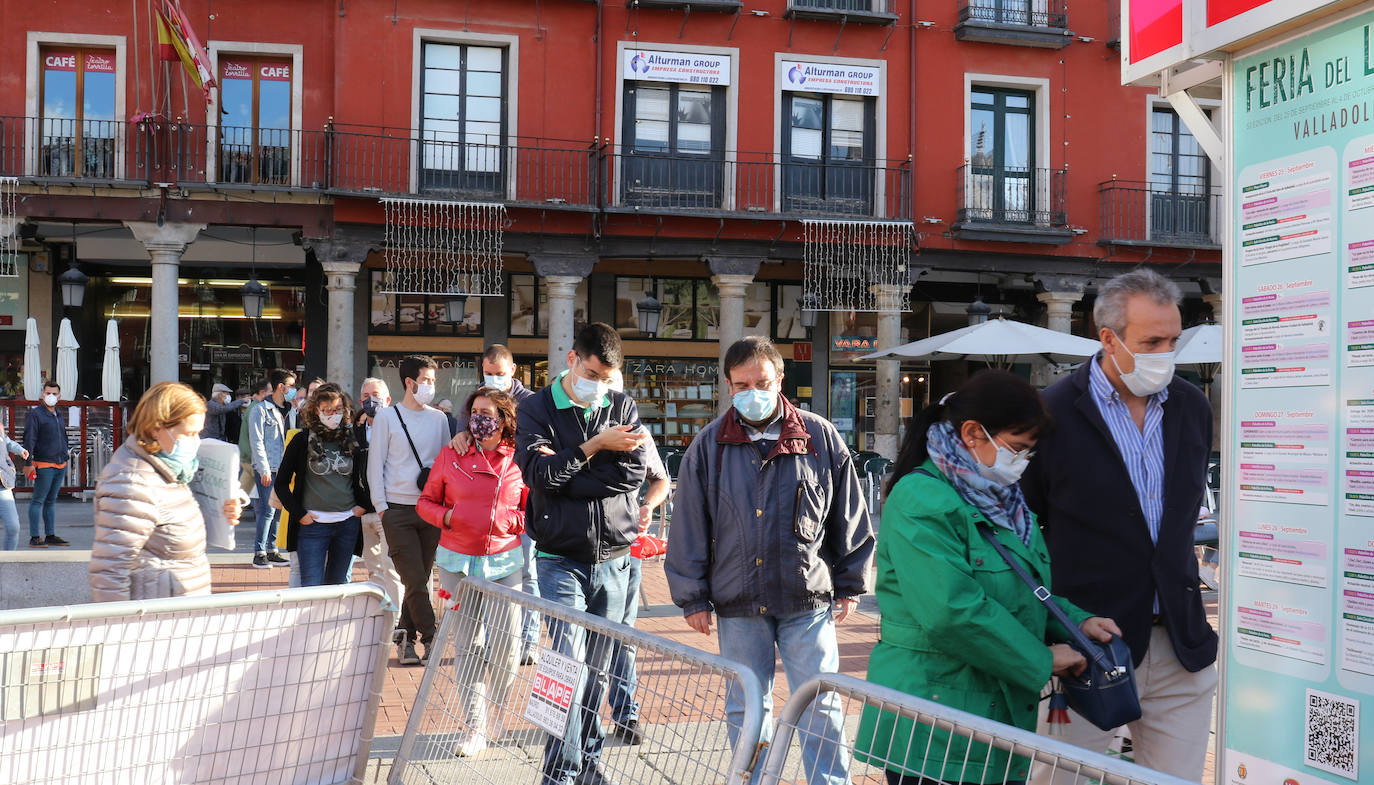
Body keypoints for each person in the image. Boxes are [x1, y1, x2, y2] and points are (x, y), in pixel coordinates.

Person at [854, 371, 1120, 785]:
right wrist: (1043, 659)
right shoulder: (922, 498)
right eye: (1017, 448)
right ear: (973, 433)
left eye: (1029, 453)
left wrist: (1075, 622)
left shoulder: (1004, 501)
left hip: (990, 707)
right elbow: (950, 610)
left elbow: (1024, 587)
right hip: (933, 721)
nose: (1022, 463)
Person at [1023, 269, 1217, 784]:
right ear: (1108, 338)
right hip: (1086, 648)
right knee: (1058, 779)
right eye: (1151, 341)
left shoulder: (1192, 408)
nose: (1165, 352)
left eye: (1173, 339)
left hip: (1179, 644)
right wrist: (1050, 630)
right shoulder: (1051, 413)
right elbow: (1021, 532)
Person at [665, 336, 873, 785]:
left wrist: (851, 582)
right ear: (727, 385)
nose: (751, 391)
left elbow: (848, 512)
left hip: (807, 598)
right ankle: (751, 781)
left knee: (822, 702)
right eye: (741, 384)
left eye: (761, 381)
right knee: (746, 706)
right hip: (738, 601)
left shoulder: (819, 436)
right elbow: (689, 525)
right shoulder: (708, 445)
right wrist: (692, 596)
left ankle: (830, 782)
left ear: (780, 379)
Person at [516, 323, 648, 785]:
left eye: (608, 377)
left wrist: (569, 466)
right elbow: (539, 478)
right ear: (572, 359)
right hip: (559, 558)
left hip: (613, 557)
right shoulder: (535, 408)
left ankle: (587, 765)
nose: (600, 385)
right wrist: (595, 447)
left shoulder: (621, 403)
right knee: (563, 665)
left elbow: (630, 475)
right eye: (592, 373)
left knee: (594, 671)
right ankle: (558, 771)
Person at [417, 386, 526, 757]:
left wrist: (508, 520)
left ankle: (497, 707)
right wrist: (447, 516)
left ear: (504, 419)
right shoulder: (452, 454)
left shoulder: (520, 459)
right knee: (467, 647)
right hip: (456, 564)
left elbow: (534, 510)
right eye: (475, 411)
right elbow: (425, 502)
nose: (480, 418)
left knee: (507, 647)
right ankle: (475, 724)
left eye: (488, 412)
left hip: (504, 563)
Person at [89, 382, 242, 601]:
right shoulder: (132, 482)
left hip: (173, 610)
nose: (195, 442)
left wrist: (220, 511)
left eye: (198, 433)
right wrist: (122, 628)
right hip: (153, 619)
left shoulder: (168, 469)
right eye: (188, 433)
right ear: (156, 428)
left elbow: (169, 531)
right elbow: (109, 572)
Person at [450, 343, 539, 663]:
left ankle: (527, 642)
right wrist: (460, 439)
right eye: (488, 374)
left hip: (523, 503)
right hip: (485, 505)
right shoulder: (473, 403)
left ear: (512, 371)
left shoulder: (531, 403)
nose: (493, 379)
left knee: (527, 574)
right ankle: (491, 642)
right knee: (487, 575)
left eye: (499, 374)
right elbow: (463, 443)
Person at [368, 354, 449, 665]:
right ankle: (431, 639)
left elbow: (444, 465)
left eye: (432, 381)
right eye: (425, 381)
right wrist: (382, 507)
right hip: (397, 511)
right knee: (414, 580)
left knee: (421, 577)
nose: (430, 386)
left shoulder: (439, 419)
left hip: (431, 510)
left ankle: (404, 636)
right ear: (409, 382)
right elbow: (375, 465)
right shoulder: (388, 417)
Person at [605, 367, 671, 746]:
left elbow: (660, 478)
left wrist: (648, 504)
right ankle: (575, 717)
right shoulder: (567, 426)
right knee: (575, 639)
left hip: (624, 548)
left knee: (623, 635)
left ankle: (626, 712)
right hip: (573, 552)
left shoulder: (638, 432)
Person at [274, 383, 367, 587]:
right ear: (317, 410)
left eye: (338, 410)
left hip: (347, 524)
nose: (333, 415)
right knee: (312, 586)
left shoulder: (352, 441)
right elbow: (280, 484)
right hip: (313, 525)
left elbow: (367, 475)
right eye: (327, 410)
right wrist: (300, 514)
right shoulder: (301, 440)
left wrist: (363, 506)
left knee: (338, 585)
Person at [356, 377, 407, 627]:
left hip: (388, 510)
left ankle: (395, 622)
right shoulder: (353, 430)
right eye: (365, 395)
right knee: (373, 568)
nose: (370, 400)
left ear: (387, 399)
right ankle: (379, 618)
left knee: (391, 569)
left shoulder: (399, 428)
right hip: (361, 513)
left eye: (375, 394)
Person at [249, 368, 295, 568]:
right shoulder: (260, 410)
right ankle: (259, 552)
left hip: (284, 467)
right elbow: (256, 441)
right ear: (281, 387)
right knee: (267, 510)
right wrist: (264, 469)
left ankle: (272, 549)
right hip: (268, 467)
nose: (294, 389)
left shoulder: (289, 410)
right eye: (291, 385)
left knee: (278, 509)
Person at [24, 379, 70, 547]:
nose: (51, 396)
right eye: (48, 393)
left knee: (51, 501)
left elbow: (62, 436)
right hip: (43, 464)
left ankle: (50, 535)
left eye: (54, 394)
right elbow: (29, 439)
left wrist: (65, 454)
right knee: (38, 500)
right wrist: (28, 462)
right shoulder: (35, 414)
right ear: (42, 394)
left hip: (60, 463)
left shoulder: (58, 414)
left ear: (59, 396)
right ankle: (35, 537)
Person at [0, 419, 29, 550]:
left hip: (2, 484)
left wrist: (19, 449)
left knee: (13, 527)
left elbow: (6, 442)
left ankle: (7, 564)